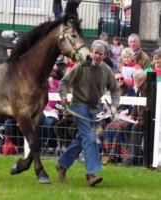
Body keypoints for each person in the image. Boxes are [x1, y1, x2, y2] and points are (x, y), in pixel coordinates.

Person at [55, 40, 121, 187]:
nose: (97, 56)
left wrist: (115, 106)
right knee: (90, 139)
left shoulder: (107, 70)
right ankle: (91, 174)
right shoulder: (81, 66)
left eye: (101, 54)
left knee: (81, 141)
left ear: (105, 55)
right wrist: (64, 96)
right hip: (79, 106)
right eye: (95, 52)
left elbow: (115, 89)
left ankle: (62, 164)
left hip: (93, 110)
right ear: (91, 51)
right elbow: (64, 82)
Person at [102, 72, 135, 164]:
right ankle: (108, 155)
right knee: (108, 128)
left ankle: (117, 156)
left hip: (126, 118)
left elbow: (132, 106)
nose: (120, 80)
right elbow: (105, 106)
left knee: (118, 128)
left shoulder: (130, 90)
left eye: (121, 78)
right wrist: (104, 111)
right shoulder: (108, 92)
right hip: (113, 117)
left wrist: (127, 111)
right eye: (117, 79)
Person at [119, 69, 147, 166]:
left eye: (134, 80)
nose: (134, 82)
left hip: (148, 121)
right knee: (127, 126)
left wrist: (139, 120)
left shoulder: (146, 88)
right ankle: (131, 155)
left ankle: (134, 159)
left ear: (138, 80)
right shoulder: (140, 88)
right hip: (140, 119)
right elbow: (136, 105)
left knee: (135, 128)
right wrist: (132, 116)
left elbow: (145, 108)